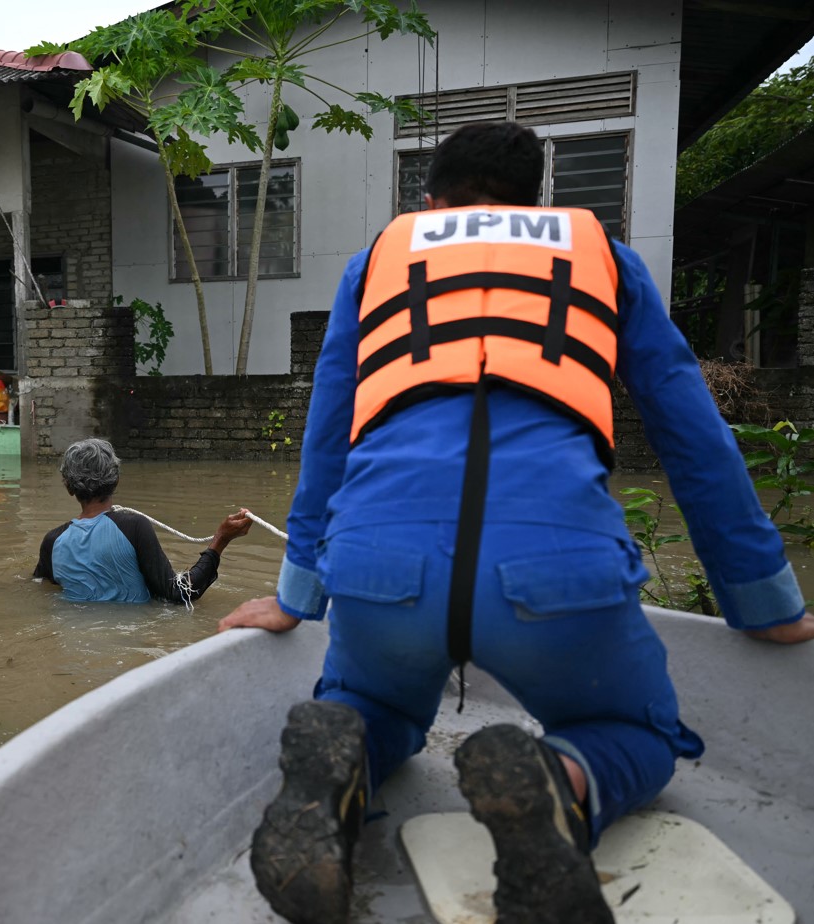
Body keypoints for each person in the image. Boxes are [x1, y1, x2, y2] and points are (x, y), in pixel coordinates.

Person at [217, 121, 814, 924]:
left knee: (373, 706)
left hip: (378, 563)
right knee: (633, 734)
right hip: (556, 570)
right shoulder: (600, 255)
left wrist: (298, 596)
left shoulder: (380, 260)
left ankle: (339, 768)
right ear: (535, 203)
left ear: (428, 203)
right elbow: (692, 436)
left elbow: (330, 433)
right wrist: (764, 603)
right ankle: (557, 781)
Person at [35, 438, 251, 604]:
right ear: (116, 479)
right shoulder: (134, 526)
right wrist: (221, 539)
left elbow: (42, 588)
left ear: (68, 487)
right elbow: (180, 594)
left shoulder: (52, 541)